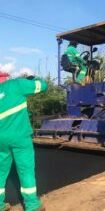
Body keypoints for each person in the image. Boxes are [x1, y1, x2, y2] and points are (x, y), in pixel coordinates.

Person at [0, 74, 48, 211]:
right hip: (20, 137)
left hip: (0, 140)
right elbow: (43, 86)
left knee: (1, 171)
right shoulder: (16, 84)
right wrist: (33, 79)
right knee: (25, 170)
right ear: (4, 77)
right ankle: (32, 205)